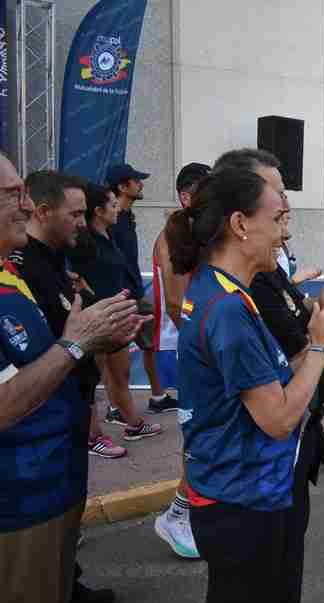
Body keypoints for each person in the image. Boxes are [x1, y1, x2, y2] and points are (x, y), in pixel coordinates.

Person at [166, 167, 324, 603]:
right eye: (278, 217)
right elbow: (278, 418)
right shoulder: (228, 309)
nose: (287, 231)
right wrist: (321, 347)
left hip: (247, 491)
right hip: (238, 499)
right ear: (240, 224)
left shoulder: (229, 291)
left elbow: (275, 378)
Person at [0, 151, 145, 603]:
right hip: (19, 500)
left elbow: (54, 354)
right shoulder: (19, 273)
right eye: (12, 195)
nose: (24, 206)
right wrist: (78, 343)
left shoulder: (14, 278)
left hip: (47, 483)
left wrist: (92, 337)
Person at [69, 183, 163, 442]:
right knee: (91, 380)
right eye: (112, 205)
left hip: (118, 316)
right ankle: (92, 436)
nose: (117, 208)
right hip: (97, 317)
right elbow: (67, 269)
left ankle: (132, 424)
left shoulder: (113, 234)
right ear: (98, 211)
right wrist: (79, 285)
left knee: (120, 374)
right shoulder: (83, 241)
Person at [153, 162, 212, 560]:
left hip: (200, 348)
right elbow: (176, 304)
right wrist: (203, 345)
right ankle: (178, 513)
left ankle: (186, 511)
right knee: (199, 439)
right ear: (187, 197)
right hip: (189, 351)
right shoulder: (173, 235)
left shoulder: (196, 231)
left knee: (207, 437)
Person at [107, 163, 176, 413]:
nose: (141, 184)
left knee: (150, 344)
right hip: (121, 296)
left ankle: (157, 397)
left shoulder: (126, 217)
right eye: (136, 181)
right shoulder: (111, 220)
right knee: (113, 357)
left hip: (134, 293)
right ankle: (118, 410)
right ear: (122, 187)